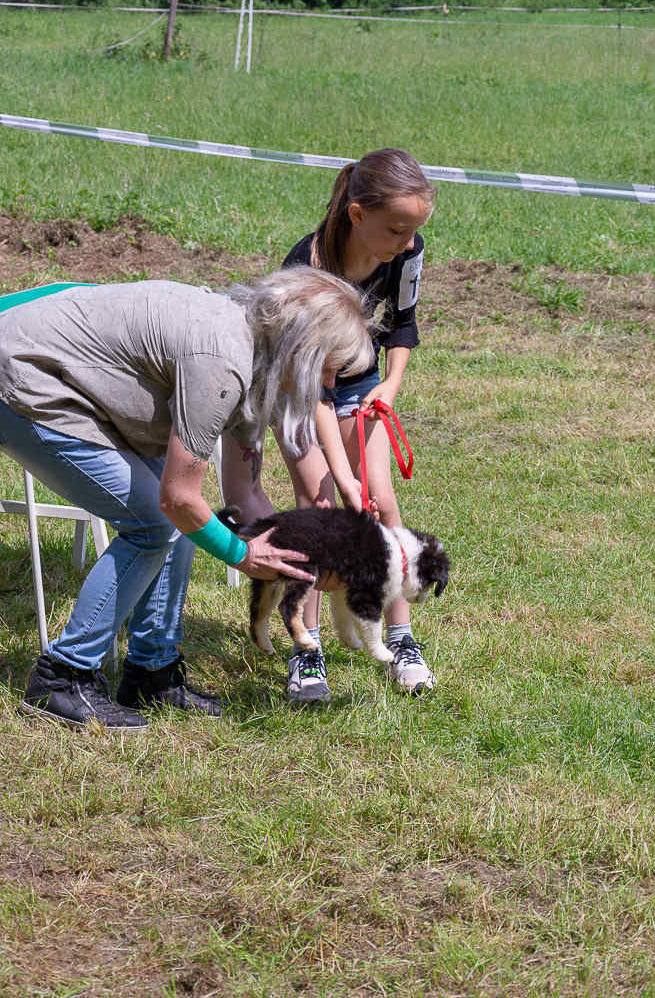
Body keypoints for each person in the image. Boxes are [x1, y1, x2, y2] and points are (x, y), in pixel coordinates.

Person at [0, 271, 375, 731]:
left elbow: (246, 494)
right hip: (22, 374)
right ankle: (62, 679)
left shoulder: (258, 361)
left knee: (172, 520)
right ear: (302, 349)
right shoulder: (223, 362)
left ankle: (151, 673)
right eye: (329, 366)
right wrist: (242, 554)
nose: (331, 383)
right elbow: (179, 499)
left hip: (69, 379)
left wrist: (302, 560)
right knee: (154, 523)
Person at [221, 148, 435, 705]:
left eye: (416, 230)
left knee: (382, 504)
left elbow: (404, 326)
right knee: (317, 510)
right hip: (298, 388)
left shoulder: (407, 252)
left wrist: (390, 386)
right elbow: (312, 387)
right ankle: (306, 647)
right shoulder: (308, 268)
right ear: (359, 216)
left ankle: (401, 637)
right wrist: (343, 479)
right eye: (397, 229)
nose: (408, 242)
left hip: (363, 385)